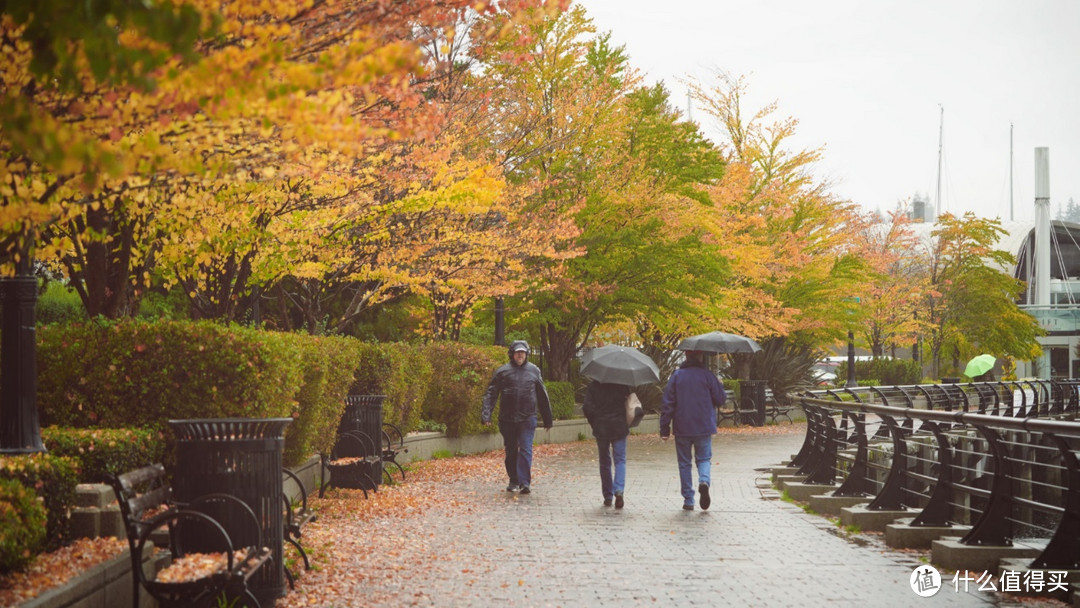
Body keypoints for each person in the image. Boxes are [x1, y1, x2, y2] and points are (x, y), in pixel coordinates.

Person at [481, 340, 553, 494]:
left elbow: (542, 394)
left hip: (528, 417)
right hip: (507, 419)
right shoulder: (502, 372)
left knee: (526, 448)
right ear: (512, 354)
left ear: (526, 354)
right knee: (512, 450)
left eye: (523, 353)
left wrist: (547, 418)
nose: (520, 355)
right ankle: (514, 479)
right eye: (517, 352)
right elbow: (491, 393)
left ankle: (524, 482)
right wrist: (486, 414)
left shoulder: (534, 371)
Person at [660, 350, 726, 511]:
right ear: (701, 356)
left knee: (684, 463)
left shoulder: (677, 376)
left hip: (682, 426)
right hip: (703, 426)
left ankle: (688, 500)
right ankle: (704, 481)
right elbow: (720, 400)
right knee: (703, 459)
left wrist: (664, 428)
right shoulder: (707, 376)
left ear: (686, 356)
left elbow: (667, 403)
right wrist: (719, 385)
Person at [582, 381, 632, 508]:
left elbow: (587, 407)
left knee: (605, 462)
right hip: (619, 426)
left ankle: (608, 495)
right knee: (620, 460)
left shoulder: (594, 385)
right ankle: (619, 490)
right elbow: (629, 404)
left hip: (601, 427)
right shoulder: (622, 385)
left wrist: (595, 421)